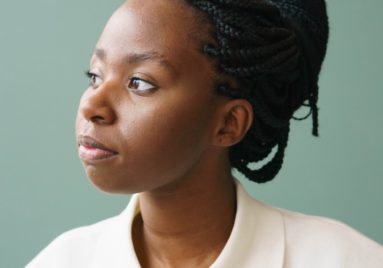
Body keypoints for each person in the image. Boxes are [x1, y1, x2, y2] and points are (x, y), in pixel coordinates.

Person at [27, 0, 383, 267]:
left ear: (228, 124)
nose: (92, 106)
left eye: (139, 82)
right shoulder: (62, 261)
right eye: (95, 76)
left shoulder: (345, 260)